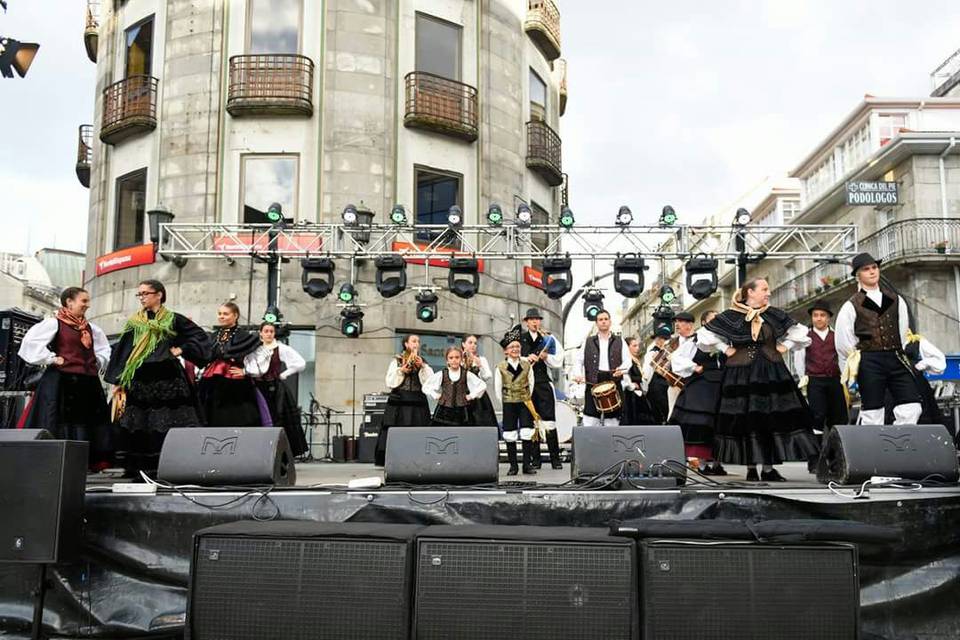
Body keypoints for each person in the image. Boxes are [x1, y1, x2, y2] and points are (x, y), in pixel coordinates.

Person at [698, 277, 819, 482]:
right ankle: (751, 468)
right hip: (740, 373)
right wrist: (725, 348)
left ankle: (768, 468)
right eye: (764, 289)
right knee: (746, 419)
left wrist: (784, 346)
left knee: (770, 418)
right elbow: (704, 335)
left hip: (771, 372)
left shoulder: (773, 314)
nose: (768, 292)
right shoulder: (731, 316)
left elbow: (800, 333)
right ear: (750, 293)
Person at [105, 279, 211, 476]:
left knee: (170, 421)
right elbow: (124, 351)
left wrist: (182, 349)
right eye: (140, 294)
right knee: (140, 423)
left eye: (145, 293)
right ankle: (140, 469)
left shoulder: (173, 319)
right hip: (140, 377)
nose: (142, 297)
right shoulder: (135, 322)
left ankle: (174, 465)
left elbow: (200, 337)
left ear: (159, 295)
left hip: (167, 377)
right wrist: (119, 381)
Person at [18, 287, 113, 470]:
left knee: (87, 419)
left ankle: (83, 460)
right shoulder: (54, 323)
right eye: (83, 301)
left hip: (87, 382)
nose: (88, 305)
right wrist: (52, 358)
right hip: (62, 381)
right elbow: (29, 344)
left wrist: (98, 361)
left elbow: (103, 350)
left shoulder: (91, 328)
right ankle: (57, 460)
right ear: (69, 302)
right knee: (61, 418)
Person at [835, 253, 922, 425]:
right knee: (873, 411)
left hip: (896, 356)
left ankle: (899, 442)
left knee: (912, 404)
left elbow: (903, 329)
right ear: (858, 275)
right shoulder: (851, 305)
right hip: (869, 360)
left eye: (874, 267)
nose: (872, 271)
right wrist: (855, 365)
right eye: (866, 269)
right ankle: (872, 448)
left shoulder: (896, 299)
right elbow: (844, 341)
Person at [669, 310, 727, 475]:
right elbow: (676, 358)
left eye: (718, 318)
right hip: (701, 386)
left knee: (719, 424)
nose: (678, 325)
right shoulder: (696, 339)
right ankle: (702, 464)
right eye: (711, 319)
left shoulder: (724, 339)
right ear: (703, 323)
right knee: (701, 423)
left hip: (721, 384)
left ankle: (717, 463)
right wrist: (694, 367)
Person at [245, 322, 308, 457]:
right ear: (260, 333)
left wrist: (284, 374)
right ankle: (258, 453)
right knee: (256, 418)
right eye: (266, 331)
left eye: (271, 331)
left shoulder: (280, 348)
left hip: (274, 388)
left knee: (278, 419)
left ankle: (280, 453)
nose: (268, 334)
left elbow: (300, 363)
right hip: (257, 387)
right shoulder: (254, 349)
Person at [199, 302, 262, 427]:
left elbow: (256, 358)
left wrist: (245, 371)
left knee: (236, 416)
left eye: (225, 314)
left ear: (235, 316)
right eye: (220, 314)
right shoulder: (214, 336)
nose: (221, 317)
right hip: (212, 379)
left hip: (235, 382)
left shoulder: (244, 336)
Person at [376, 334, 433, 466]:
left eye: (418, 341)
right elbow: (389, 382)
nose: (416, 344)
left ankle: (418, 458)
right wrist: (401, 370)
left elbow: (429, 382)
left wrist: (422, 367)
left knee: (418, 430)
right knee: (398, 429)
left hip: (418, 401)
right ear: (406, 344)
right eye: (413, 341)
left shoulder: (423, 361)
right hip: (400, 400)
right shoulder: (397, 360)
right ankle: (396, 459)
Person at [793, 300, 848, 435]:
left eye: (822, 315)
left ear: (828, 318)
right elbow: (799, 360)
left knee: (839, 416)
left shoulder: (836, 336)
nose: (818, 318)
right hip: (815, 381)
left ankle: (836, 451)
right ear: (812, 317)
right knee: (817, 416)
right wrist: (804, 379)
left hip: (835, 380)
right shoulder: (805, 337)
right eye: (815, 315)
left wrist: (844, 378)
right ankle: (817, 452)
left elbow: (842, 357)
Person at [519, 308, 564, 469]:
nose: (534, 322)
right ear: (526, 322)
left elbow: (559, 360)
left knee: (549, 421)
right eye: (531, 319)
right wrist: (526, 358)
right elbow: (511, 358)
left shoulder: (548, 338)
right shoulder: (520, 339)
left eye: (537, 319)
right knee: (532, 423)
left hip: (543, 384)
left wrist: (546, 357)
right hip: (526, 386)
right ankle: (535, 460)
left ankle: (555, 459)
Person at [572, 310, 630, 426]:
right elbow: (578, 360)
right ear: (596, 323)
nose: (603, 322)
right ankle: (592, 443)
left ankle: (611, 442)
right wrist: (578, 374)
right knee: (590, 419)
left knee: (613, 420)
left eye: (605, 319)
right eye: (600, 320)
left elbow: (628, 360)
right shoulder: (588, 342)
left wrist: (621, 369)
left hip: (613, 379)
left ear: (610, 322)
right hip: (593, 380)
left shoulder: (620, 340)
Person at [494, 327, 537, 475]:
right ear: (506, 351)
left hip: (525, 402)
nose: (515, 349)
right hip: (509, 403)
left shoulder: (526, 365)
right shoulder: (500, 367)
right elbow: (498, 388)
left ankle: (527, 465)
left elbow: (531, 383)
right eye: (512, 347)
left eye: (517, 346)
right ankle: (513, 466)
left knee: (526, 432)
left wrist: (525, 396)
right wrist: (506, 402)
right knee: (510, 433)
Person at [423, 346, 488, 426]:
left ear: (461, 359)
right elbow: (426, 386)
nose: (454, 360)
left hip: (462, 411)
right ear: (447, 360)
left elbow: (482, 385)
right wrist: (435, 395)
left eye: (457, 357)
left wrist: (471, 396)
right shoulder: (442, 374)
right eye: (451, 358)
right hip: (444, 411)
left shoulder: (466, 374)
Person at [462, 334, 498, 426]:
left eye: (475, 343)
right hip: (462, 394)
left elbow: (487, 376)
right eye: (470, 342)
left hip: (478, 395)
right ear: (463, 344)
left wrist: (480, 366)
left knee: (482, 419)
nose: (473, 345)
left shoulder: (481, 359)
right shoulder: (459, 359)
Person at [620, 336, 657, 425]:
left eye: (637, 345)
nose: (637, 348)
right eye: (634, 346)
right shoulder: (626, 360)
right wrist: (632, 384)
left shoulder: (635, 360)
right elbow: (625, 376)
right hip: (631, 396)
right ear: (627, 347)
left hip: (639, 393)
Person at [642, 326, 673, 424]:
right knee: (661, 412)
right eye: (660, 339)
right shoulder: (651, 353)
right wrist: (645, 388)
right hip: (656, 385)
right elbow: (647, 372)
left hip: (667, 384)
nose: (658, 341)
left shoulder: (670, 353)